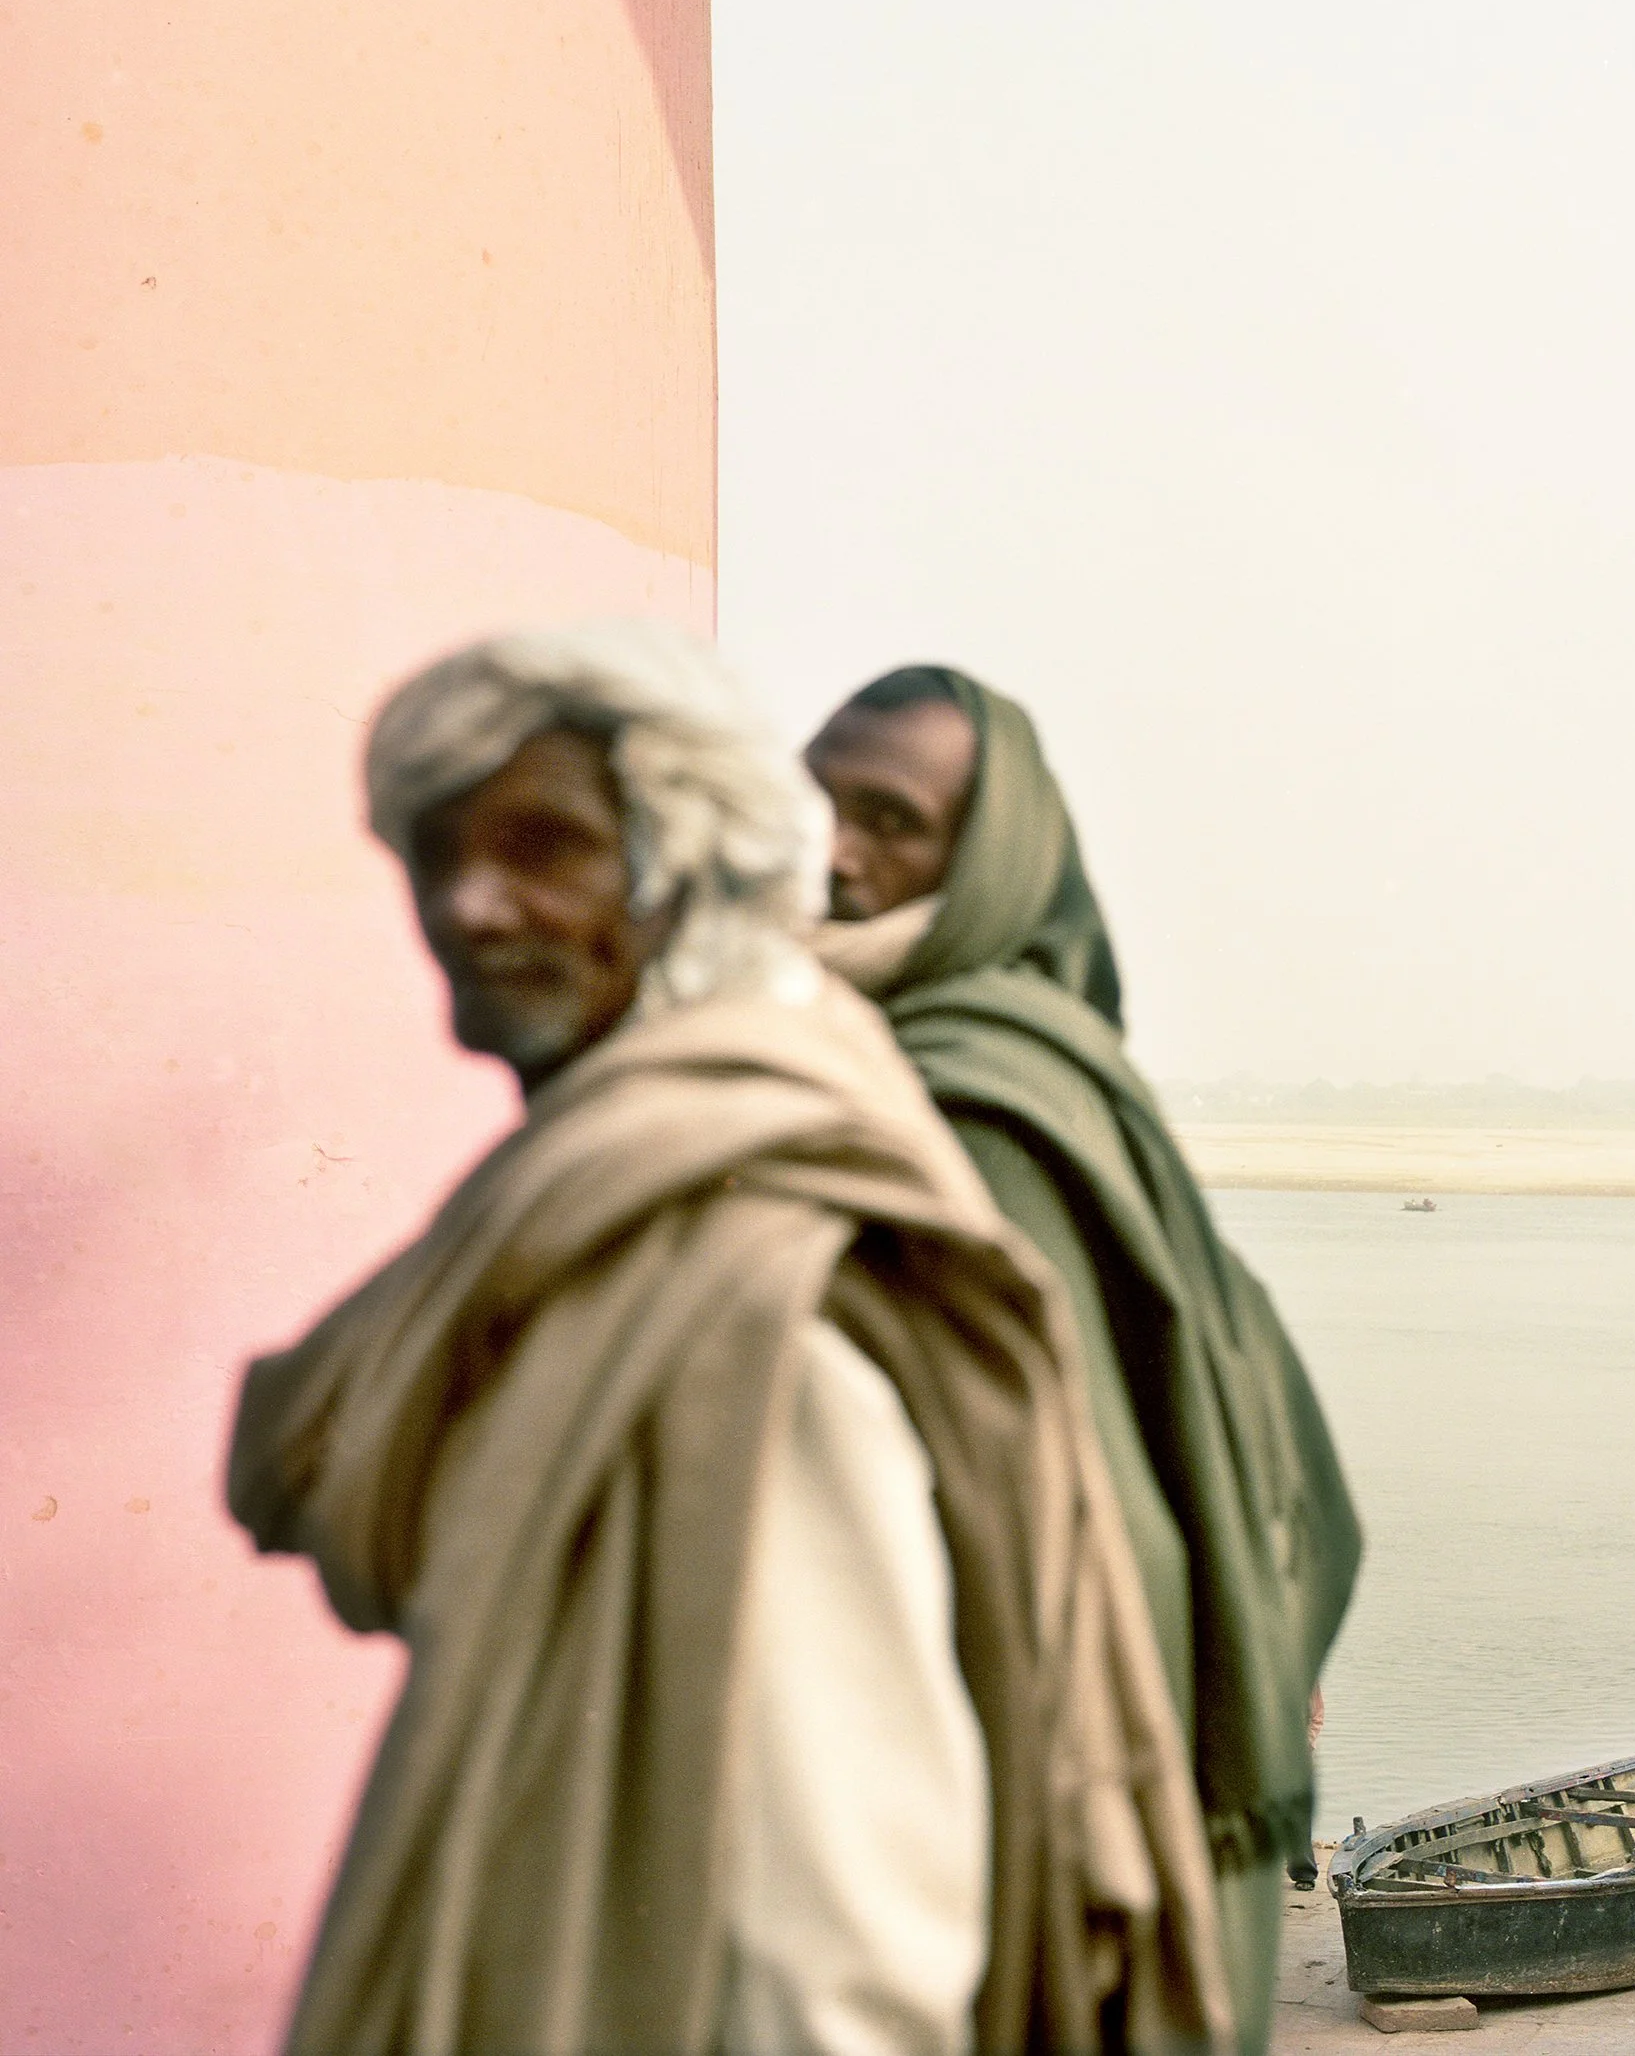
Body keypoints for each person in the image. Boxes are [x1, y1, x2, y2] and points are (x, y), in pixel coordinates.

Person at [225, 622, 1229, 2055]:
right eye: (436, 852)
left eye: (544, 847)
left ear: (686, 862)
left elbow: (841, 1948)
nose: (471, 904)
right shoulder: (605, 1190)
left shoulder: (749, 1276)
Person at [806, 665, 1363, 2052]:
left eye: (887, 818)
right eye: (809, 805)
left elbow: (1054, 1543)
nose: (831, 852)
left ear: (992, 861)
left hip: (1017, 1853)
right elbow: (1316, 1517)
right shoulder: (1069, 1075)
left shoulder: (961, 1112)